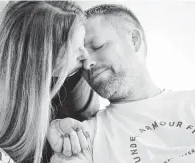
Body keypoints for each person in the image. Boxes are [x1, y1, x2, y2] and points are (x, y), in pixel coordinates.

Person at [49, 4, 195, 163]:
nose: (87, 63)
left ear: (134, 40)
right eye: (81, 59)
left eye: (98, 46)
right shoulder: (83, 138)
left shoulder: (190, 102)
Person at [0, 1, 93, 163]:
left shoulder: (77, 76)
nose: (86, 56)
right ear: (40, 59)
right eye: (76, 50)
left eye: (84, 43)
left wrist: (52, 130)